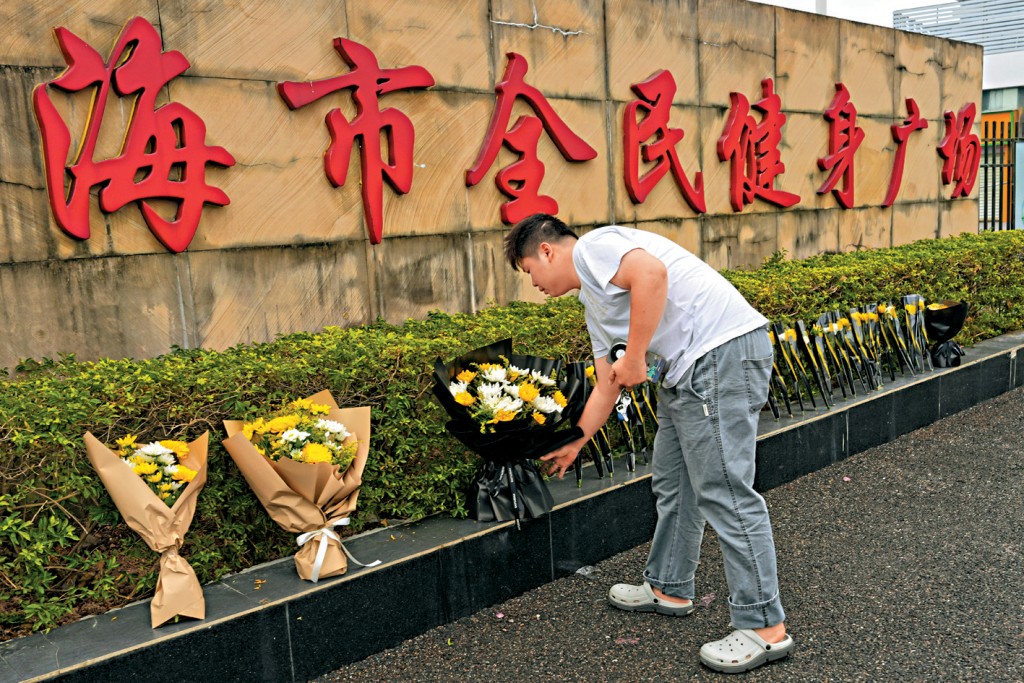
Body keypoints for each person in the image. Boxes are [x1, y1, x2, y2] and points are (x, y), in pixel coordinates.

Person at [503, 213, 794, 674]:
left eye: (528, 270)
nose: (533, 283)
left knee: (725, 492)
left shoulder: (595, 248)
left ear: (547, 250)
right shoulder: (594, 304)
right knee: (675, 486)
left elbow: (651, 275)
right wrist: (578, 441)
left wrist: (636, 354)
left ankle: (764, 628)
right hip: (688, 372)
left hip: (718, 355)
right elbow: (608, 383)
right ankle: (669, 586)